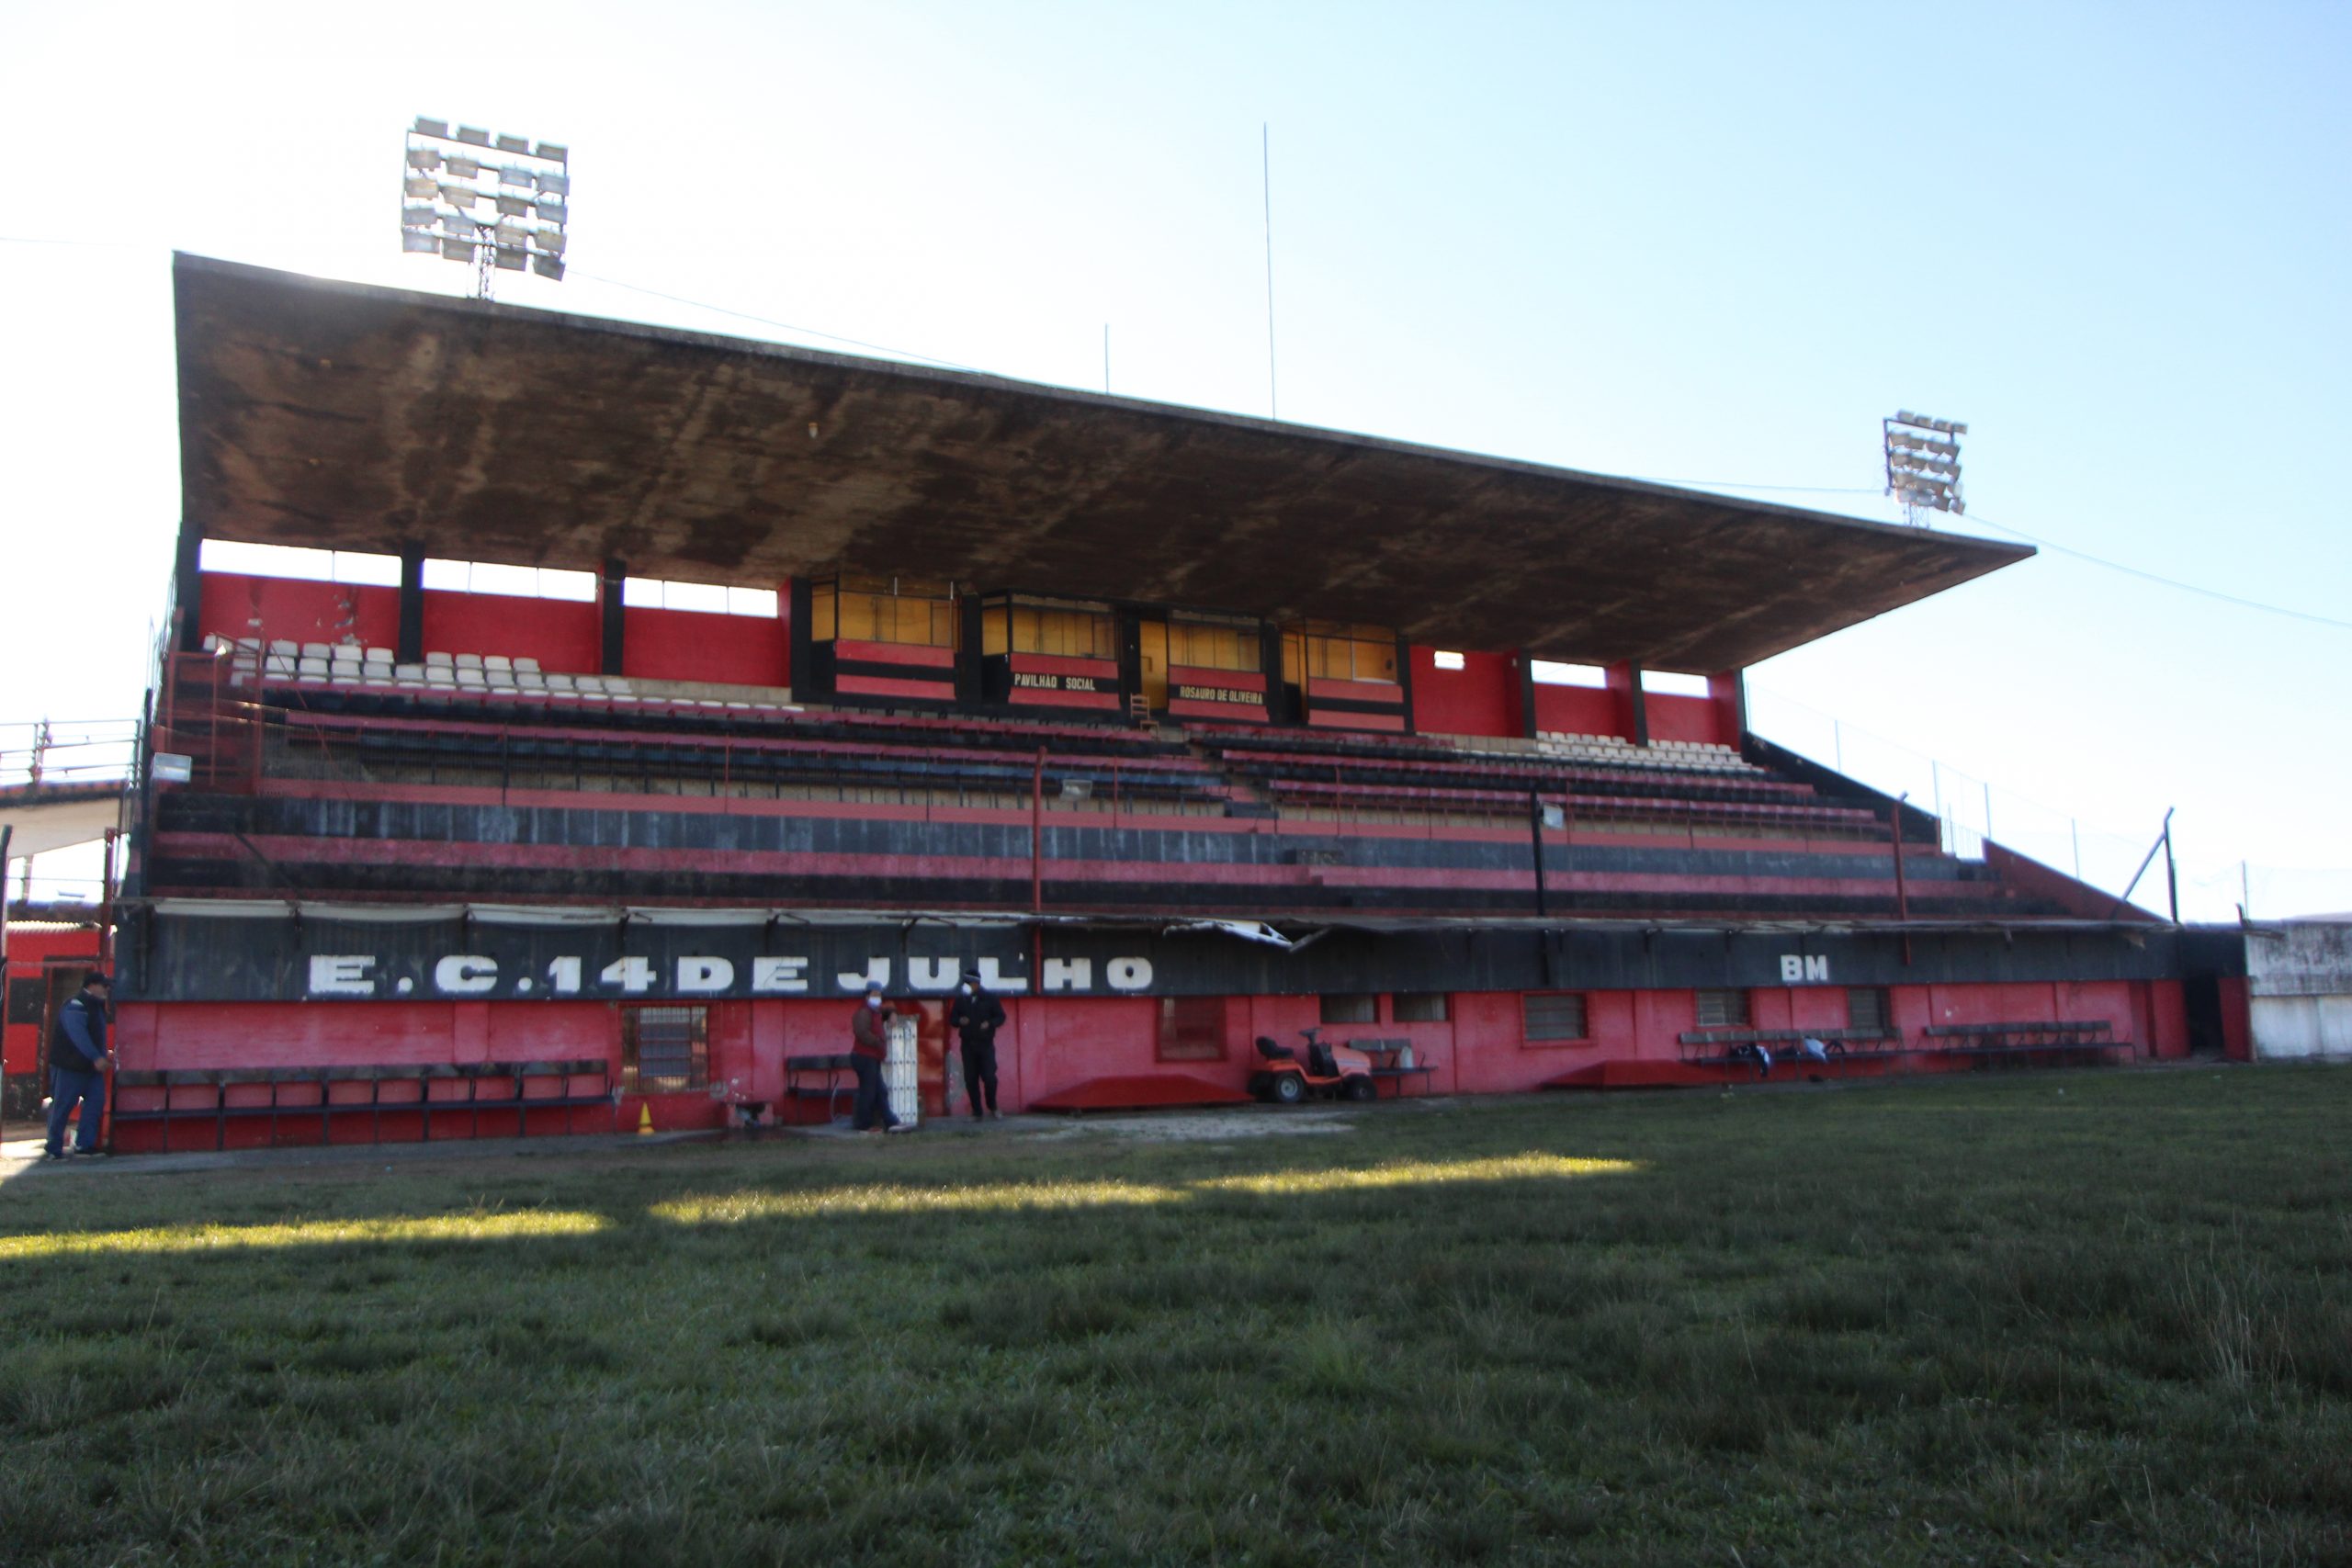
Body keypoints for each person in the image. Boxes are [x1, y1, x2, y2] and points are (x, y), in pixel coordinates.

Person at [45, 971, 113, 1162]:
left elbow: (89, 1036)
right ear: (92, 985)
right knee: (63, 1105)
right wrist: (96, 1057)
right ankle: (53, 1148)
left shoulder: (94, 1006)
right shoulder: (76, 1005)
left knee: (95, 1103)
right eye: (104, 984)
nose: (107, 988)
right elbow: (78, 1035)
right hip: (70, 1066)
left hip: (88, 1067)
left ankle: (84, 1145)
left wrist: (102, 1053)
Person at [946, 970, 1007, 1121]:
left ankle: (992, 1106)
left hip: (985, 1044)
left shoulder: (990, 998)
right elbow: (952, 1018)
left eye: (969, 984)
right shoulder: (962, 999)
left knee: (989, 1077)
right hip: (968, 1045)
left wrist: (990, 1023)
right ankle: (977, 1111)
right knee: (970, 1078)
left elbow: (1001, 1016)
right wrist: (960, 1021)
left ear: (976, 984)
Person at [848, 981, 907, 1134]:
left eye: (879, 995)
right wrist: (878, 1042)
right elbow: (862, 1033)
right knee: (868, 1092)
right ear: (867, 996)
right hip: (864, 1057)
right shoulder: (863, 1012)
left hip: (871, 1058)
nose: (878, 998)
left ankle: (890, 1121)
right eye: (875, 994)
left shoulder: (875, 1011)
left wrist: (893, 1013)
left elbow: (889, 1008)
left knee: (880, 1091)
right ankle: (864, 1125)